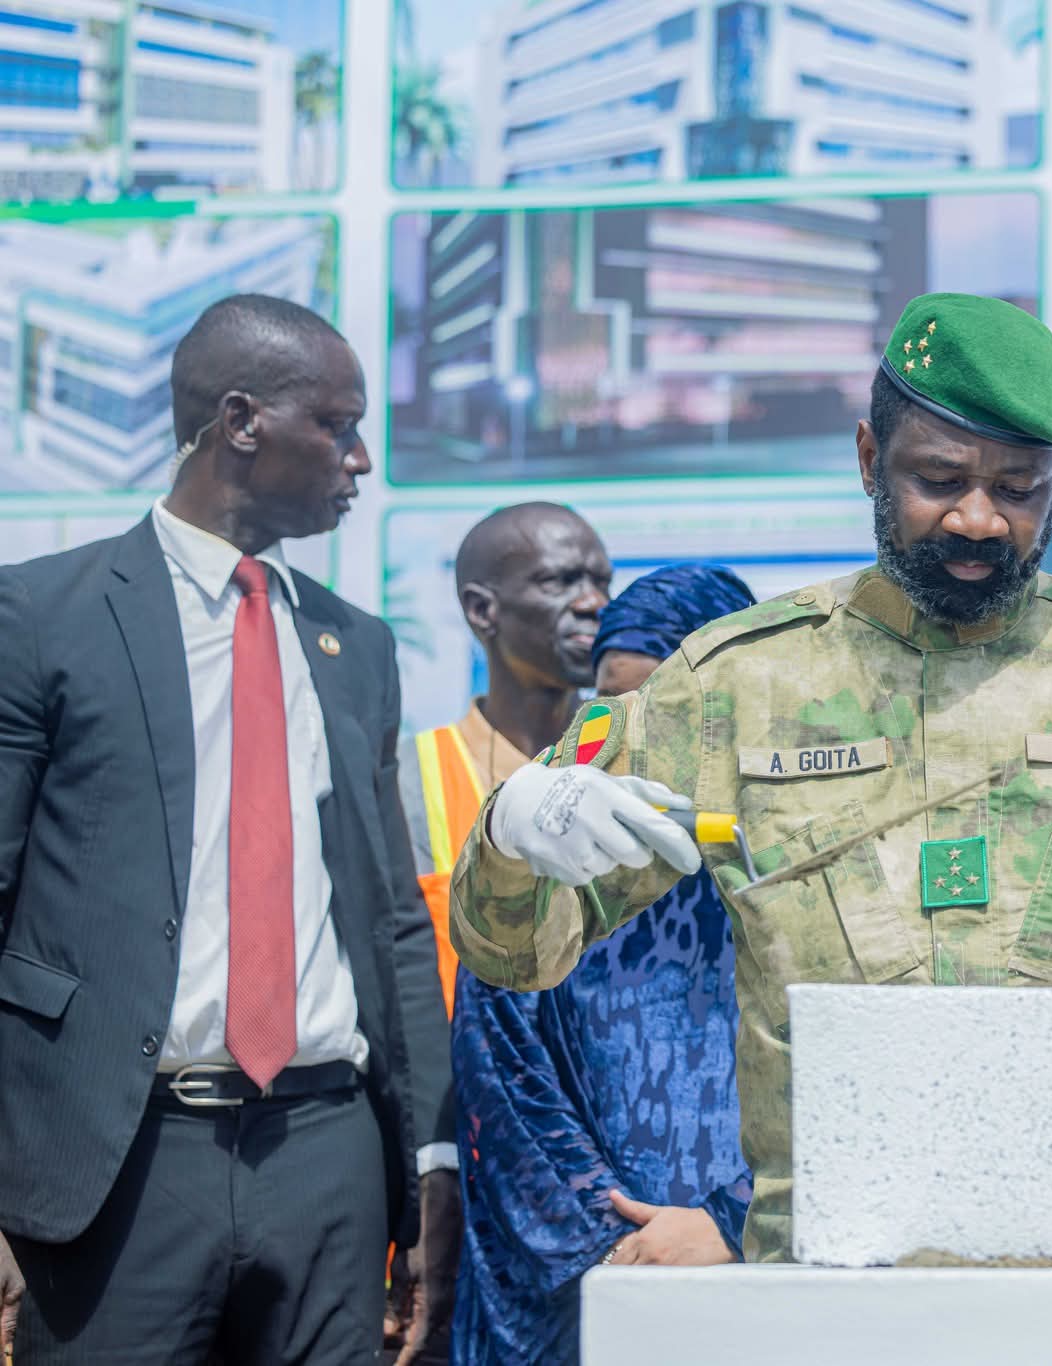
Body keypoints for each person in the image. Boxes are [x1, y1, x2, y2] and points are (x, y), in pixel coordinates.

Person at [447, 292, 1052, 1264]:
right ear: (870, 459)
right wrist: (515, 839)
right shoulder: (735, 684)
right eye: (938, 480)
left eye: (1019, 489)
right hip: (833, 1275)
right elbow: (518, 954)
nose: (978, 520)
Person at [0, 294, 453, 1364]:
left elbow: (392, 921)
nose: (362, 460)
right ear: (242, 421)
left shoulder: (357, 647)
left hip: (326, 1152)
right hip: (118, 1158)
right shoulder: (44, 617)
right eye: (337, 427)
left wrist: (430, 1161)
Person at [449, 565, 755, 1364]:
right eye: (611, 704)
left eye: (661, 706)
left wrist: (732, 1223)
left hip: (759, 1281)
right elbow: (506, 1084)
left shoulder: (789, 868)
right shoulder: (540, 862)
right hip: (582, 1286)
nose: (634, 734)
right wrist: (617, 1242)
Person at [398, 502, 615, 1013]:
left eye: (602, 582)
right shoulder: (408, 779)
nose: (595, 602)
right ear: (482, 610)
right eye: (559, 581)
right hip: (462, 1060)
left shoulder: (628, 755)